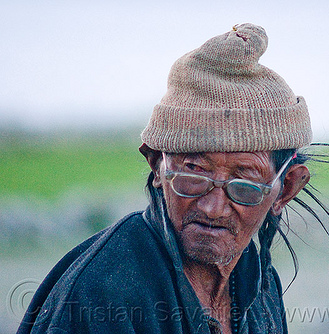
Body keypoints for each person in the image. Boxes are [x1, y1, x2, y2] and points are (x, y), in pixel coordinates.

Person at [18, 23, 313, 333]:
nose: (213, 208)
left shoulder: (256, 281)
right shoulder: (102, 294)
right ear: (157, 164)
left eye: (244, 183)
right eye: (194, 171)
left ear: (286, 189)